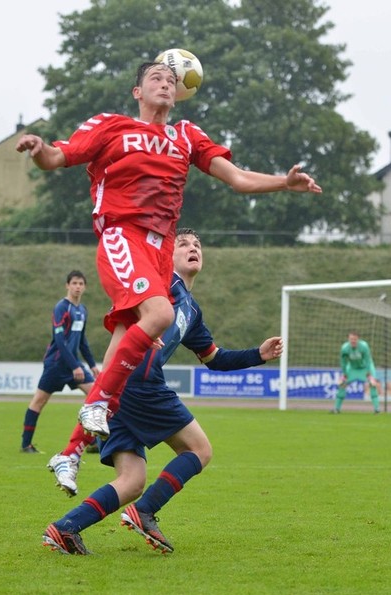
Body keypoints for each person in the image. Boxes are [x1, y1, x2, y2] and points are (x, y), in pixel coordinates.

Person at [16, 60, 321, 439]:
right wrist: (39, 148)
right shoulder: (111, 126)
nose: (164, 84)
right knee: (160, 313)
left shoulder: (186, 136)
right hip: (122, 235)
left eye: (171, 80)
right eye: (155, 78)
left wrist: (284, 183)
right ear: (137, 92)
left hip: (160, 251)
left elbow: (238, 178)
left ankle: (72, 451)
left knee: (127, 334)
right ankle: (98, 403)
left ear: (178, 94)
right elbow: (56, 158)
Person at [41, 228, 284, 555]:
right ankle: (144, 511)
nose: (193, 248)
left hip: (123, 389)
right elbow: (126, 314)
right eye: (183, 244)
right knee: (200, 450)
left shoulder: (191, 310)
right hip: (139, 380)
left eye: (197, 244)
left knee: (132, 481)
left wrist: (258, 354)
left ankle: (65, 528)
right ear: (167, 254)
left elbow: (214, 358)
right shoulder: (158, 283)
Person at [20, 270, 100, 453]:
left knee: (96, 398)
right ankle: (26, 445)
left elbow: (82, 341)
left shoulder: (82, 310)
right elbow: (59, 340)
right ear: (67, 286)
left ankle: (93, 442)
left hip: (74, 365)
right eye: (74, 283)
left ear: (85, 287)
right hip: (56, 364)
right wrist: (74, 366)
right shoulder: (61, 308)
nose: (77, 287)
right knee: (39, 401)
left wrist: (92, 364)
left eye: (81, 283)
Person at [330, 330, 380, 414]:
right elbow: (343, 362)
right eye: (351, 339)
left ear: (358, 339)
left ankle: (377, 409)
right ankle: (336, 409)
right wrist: (344, 373)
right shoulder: (345, 348)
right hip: (352, 369)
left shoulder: (364, 346)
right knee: (342, 384)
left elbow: (368, 360)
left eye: (355, 339)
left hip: (365, 368)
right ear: (348, 339)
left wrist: (369, 373)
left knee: (372, 384)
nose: (353, 341)